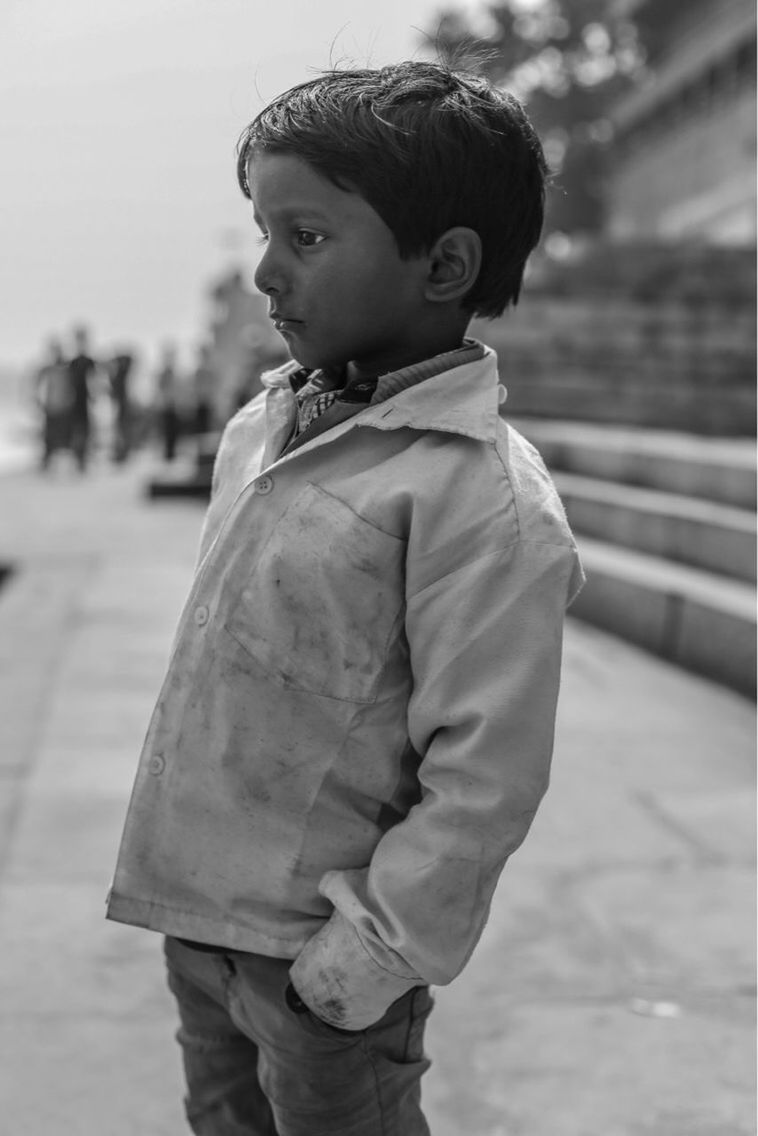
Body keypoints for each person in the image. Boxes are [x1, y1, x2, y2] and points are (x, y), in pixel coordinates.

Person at [107, 61, 584, 1136]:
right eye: (264, 233)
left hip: (322, 970)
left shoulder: (476, 498)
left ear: (444, 263)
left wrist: (361, 960)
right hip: (201, 918)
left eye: (307, 238)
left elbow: (484, 775)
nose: (266, 273)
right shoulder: (261, 427)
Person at [34, 336, 72, 469]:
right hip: (51, 408)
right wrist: (39, 402)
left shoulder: (67, 368)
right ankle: (47, 463)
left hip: (63, 408)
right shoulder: (47, 369)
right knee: (49, 438)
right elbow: (38, 386)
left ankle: (61, 465)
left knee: (62, 438)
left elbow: (71, 388)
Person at [67, 324, 98, 471]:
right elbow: (68, 383)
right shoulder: (72, 363)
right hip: (75, 402)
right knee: (78, 430)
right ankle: (79, 459)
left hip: (87, 403)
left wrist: (95, 397)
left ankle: (83, 459)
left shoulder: (90, 362)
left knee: (85, 430)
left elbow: (95, 382)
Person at [154, 343, 181, 461]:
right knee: (167, 431)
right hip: (166, 405)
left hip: (172, 405)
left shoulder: (172, 372)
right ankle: (168, 454)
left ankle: (172, 453)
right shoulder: (164, 373)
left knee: (173, 431)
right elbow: (161, 388)